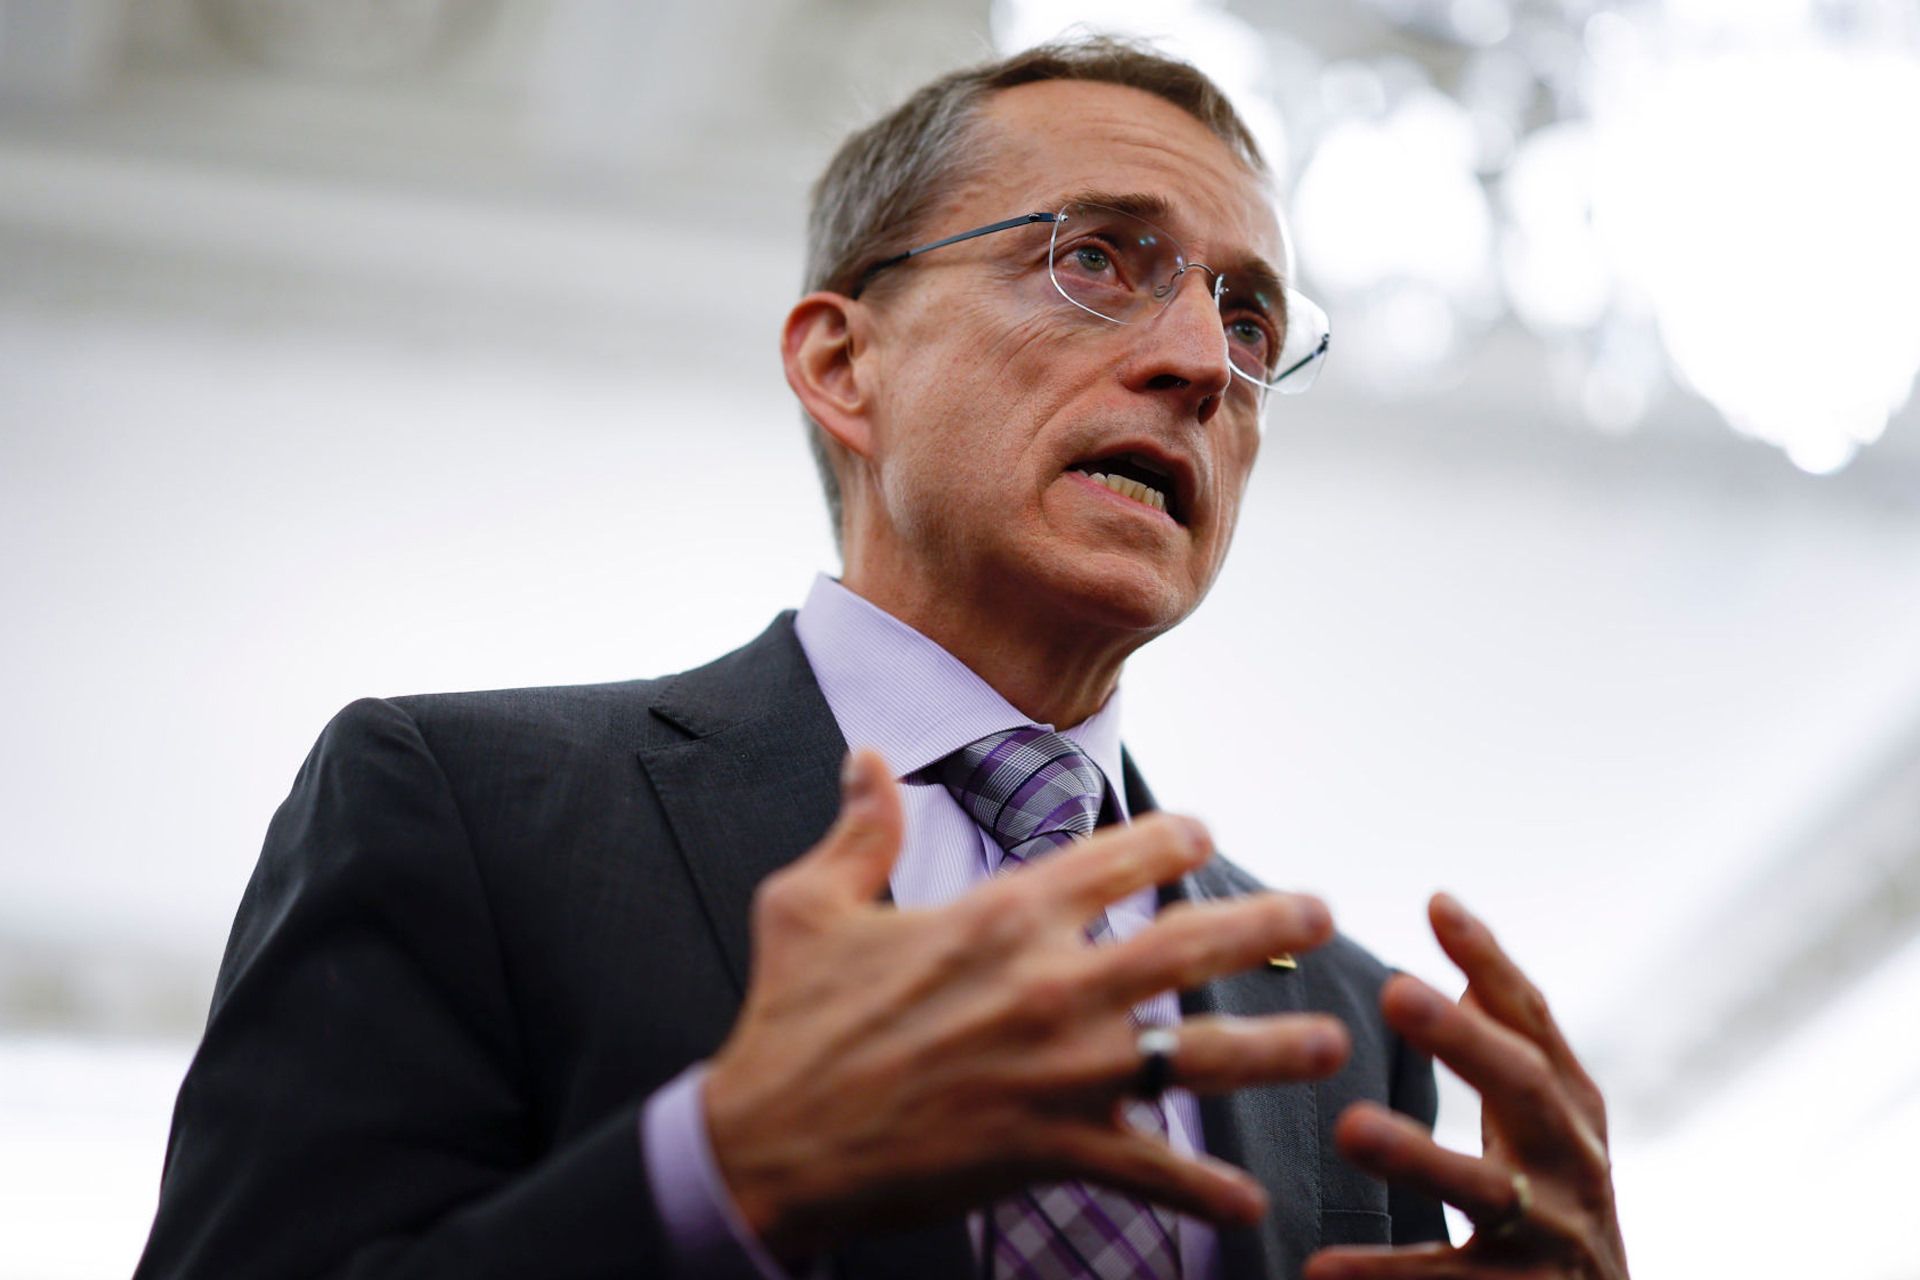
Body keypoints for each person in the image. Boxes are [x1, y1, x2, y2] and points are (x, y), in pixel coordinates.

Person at [134, 36, 1629, 1280]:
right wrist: (720, 1172)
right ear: (845, 363)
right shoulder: (464, 807)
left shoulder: (1345, 1026)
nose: (1197, 360)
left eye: (1251, 320)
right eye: (1097, 258)